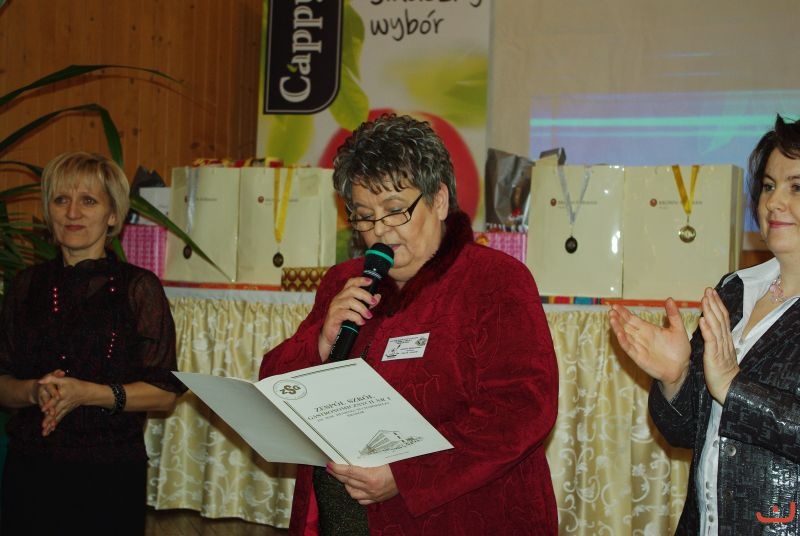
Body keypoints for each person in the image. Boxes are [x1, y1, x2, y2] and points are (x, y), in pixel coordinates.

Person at [259, 113, 559, 535]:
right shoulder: (343, 282)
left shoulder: (494, 280)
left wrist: (406, 473)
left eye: (395, 211)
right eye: (364, 215)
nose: (380, 231)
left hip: (459, 517)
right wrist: (321, 342)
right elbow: (274, 387)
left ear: (439, 200)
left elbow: (522, 410)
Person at [609, 115, 800, 534]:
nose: (773, 202)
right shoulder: (735, 290)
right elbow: (686, 433)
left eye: (796, 187)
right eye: (769, 186)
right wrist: (676, 378)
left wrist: (734, 387)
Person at [0, 152, 186, 535]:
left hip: (109, 471)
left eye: (88, 200)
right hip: (31, 467)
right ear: (48, 211)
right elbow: (2, 383)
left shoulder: (139, 288)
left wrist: (88, 393)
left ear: (113, 214)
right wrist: (34, 391)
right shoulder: (24, 286)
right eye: (61, 200)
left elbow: (164, 394)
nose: (73, 212)